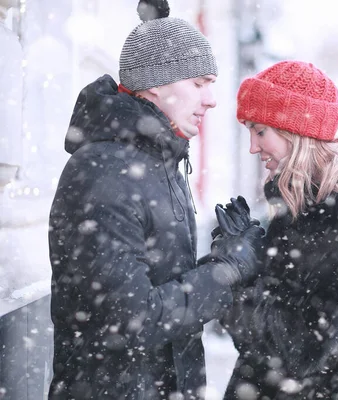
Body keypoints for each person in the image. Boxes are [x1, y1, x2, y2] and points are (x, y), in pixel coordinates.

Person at [47, 1, 265, 399]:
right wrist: (225, 270)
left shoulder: (162, 162)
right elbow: (133, 318)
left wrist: (225, 256)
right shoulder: (105, 171)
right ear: (155, 84)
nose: (212, 99)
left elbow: (162, 288)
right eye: (199, 83)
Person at [218, 61, 338, 399]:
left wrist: (237, 279)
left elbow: (304, 350)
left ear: (296, 132)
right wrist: (247, 257)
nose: (252, 147)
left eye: (260, 131)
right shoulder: (300, 205)